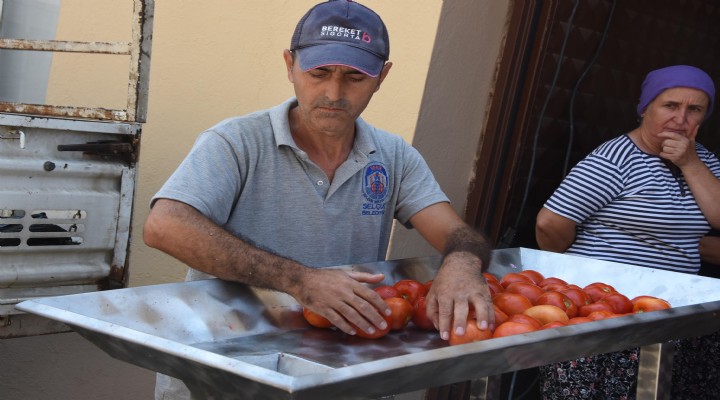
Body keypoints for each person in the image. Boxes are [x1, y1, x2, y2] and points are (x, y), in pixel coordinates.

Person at [143, 1, 493, 398]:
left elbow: (457, 234)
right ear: (290, 65)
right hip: (227, 372)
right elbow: (164, 226)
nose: (334, 93)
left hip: (332, 372)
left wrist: (463, 264)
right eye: (319, 73)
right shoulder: (236, 142)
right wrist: (301, 281)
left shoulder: (394, 156)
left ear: (382, 77)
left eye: (355, 77)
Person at [535, 65, 720, 399]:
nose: (681, 118)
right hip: (608, 311)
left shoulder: (704, 161)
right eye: (670, 105)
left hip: (672, 312)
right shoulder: (615, 159)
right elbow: (551, 224)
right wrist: (580, 273)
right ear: (645, 108)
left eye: (694, 109)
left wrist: (690, 164)